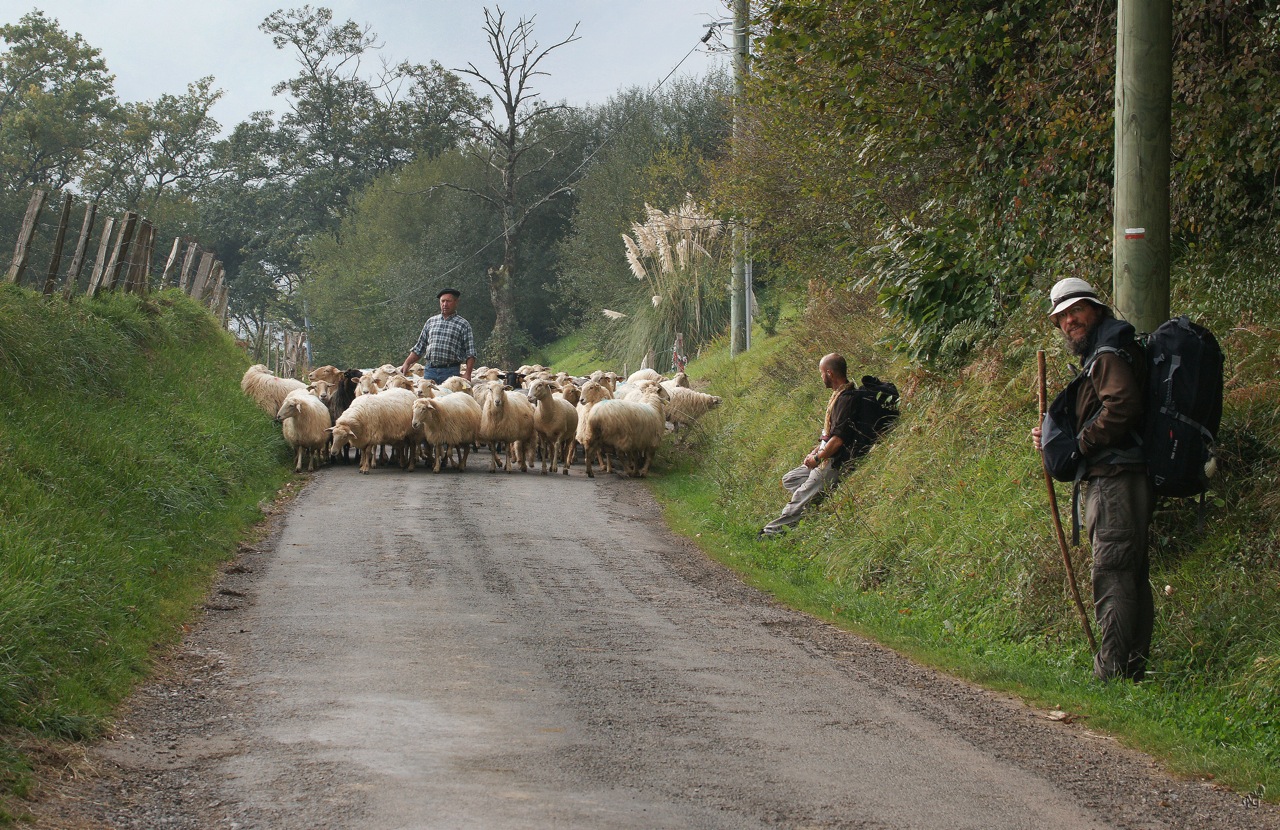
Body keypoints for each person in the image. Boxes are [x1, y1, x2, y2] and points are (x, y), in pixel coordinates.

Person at [1032, 277, 1154, 682]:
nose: (1069, 321)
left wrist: (1079, 446)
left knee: (1113, 569)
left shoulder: (1106, 354)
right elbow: (1101, 409)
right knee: (1128, 570)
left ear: (1096, 310)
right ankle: (1132, 666)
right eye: (1062, 317)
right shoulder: (1104, 351)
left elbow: (1121, 407)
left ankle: (1113, 672)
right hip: (1118, 475)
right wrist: (1053, 437)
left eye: (1076, 311)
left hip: (1114, 478)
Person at [759, 353, 868, 538]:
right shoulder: (838, 395)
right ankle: (814, 497)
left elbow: (839, 439)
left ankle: (770, 533)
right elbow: (831, 434)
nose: (821, 377)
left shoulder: (846, 399)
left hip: (835, 461)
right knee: (790, 479)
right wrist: (817, 449)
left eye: (821, 373)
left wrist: (818, 458)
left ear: (829, 373)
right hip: (826, 455)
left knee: (799, 497)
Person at [400, 288, 476, 384]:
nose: (445, 304)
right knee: (428, 398)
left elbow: (471, 353)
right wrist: (407, 362)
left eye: (448, 301)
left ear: (456, 302)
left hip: (450, 372)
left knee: (448, 398)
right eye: (442, 301)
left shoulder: (463, 324)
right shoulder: (431, 321)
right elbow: (419, 347)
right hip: (430, 371)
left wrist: (467, 374)